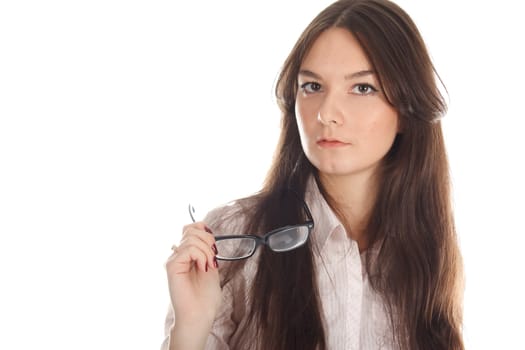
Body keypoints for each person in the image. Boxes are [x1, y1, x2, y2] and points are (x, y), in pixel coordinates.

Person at [162, 0, 465, 349]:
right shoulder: (236, 240)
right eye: (312, 87)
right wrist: (190, 328)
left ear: (408, 107)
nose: (327, 114)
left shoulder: (429, 256)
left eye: (362, 88)